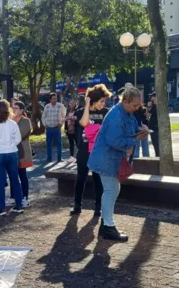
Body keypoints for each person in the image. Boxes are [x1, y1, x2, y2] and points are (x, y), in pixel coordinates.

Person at [88, 84, 149, 242]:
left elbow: (132, 127)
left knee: (111, 190)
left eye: (138, 106)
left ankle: (106, 225)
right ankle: (108, 226)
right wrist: (135, 138)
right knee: (111, 190)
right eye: (135, 105)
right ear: (126, 101)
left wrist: (141, 129)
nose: (136, 108)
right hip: (106, 158)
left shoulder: (125, 112)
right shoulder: (116, 115)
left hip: (110, 158)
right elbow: (113, 140)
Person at [70, 84, 111, 217]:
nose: (103, 104)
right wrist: (87, 104)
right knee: (81, 177)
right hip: (84, 150)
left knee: (98, 178)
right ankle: (77, 205)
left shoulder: (106, 113)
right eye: (101, 101)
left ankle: (98, 206)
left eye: (104, 101)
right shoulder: (81, 111)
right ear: (94, 100)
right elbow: (83, 123)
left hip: (98, 151)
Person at [0, 99, 24, 216]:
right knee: (15, 180)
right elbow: (18, 139)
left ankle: (1, 208)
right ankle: (19, 205)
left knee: (0, 182)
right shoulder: (13, 124)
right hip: (12, 153)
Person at [12, 101, 33, 207]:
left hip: (22, 152)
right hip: (11, 152)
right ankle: (13, 196)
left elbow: (20, 135)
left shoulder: (26, 121)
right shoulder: (9, 120)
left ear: (21, 110)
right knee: (12, 175)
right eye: (13, 107)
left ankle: (25, 197)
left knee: (22, 175)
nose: (13, 109)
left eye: (16, 108)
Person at [42, 92, 67, 163]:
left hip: (57, 128)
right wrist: (45, 125)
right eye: (53, 99)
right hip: (49, 128)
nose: (55, 100)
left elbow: (64, 115)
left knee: (59, 143)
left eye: (56, 98)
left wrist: (61, 123)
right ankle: (49, 158)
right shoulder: (47, 106)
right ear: (50, 99)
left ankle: (59, 158)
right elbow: (43, 116)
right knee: (49, 144)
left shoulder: (60, 106)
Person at [146, 93, 159, 157]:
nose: (151, 98)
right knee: (156, 145)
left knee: (157, 145)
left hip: (157, 128)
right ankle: (157, 156)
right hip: (153, 128)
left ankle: (158, 156)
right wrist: (148, 107)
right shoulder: (153, 106)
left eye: (153, 97)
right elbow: (147, 115)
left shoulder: (159, 107)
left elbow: (148, 115)